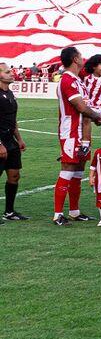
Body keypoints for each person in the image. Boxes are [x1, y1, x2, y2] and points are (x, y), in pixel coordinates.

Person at [53, 46, 101, 225]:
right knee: (67, 169)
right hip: (71, 133)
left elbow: (85, 110)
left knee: (78, 172)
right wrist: (97, 116)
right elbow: (80, 108)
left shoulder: (79, 81)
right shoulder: (67, 80)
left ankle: (74, 211)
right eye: (81, 56)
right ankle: (58, 214)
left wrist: (93, 121)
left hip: (83, 134)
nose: (83, 59)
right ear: (75, 59)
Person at [0, 62, 28, 220]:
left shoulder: (10, 93)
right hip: (1, 141)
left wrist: (19, 139)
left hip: (11, 140)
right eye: (7, 72)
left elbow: (13, 120)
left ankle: (9, 212)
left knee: (14, 175)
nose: (11, 74)